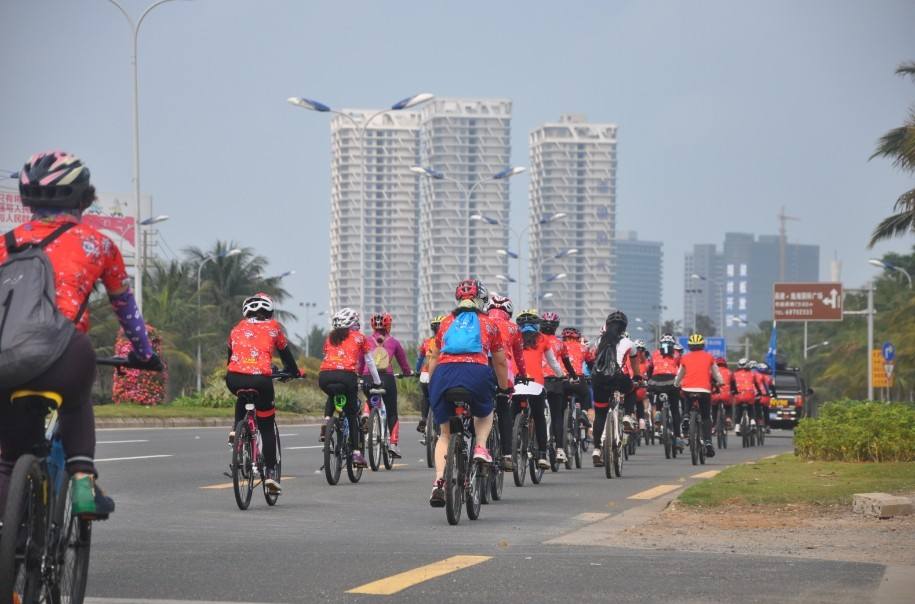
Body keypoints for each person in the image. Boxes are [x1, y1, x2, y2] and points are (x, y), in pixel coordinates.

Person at [0, 151, 162, 518]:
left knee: (9, 460)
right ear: (84, 197)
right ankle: (84, 480)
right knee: (75, 398)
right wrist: (145, 354)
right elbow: (126, 311)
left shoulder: (5, 243)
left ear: (26, 199)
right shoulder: (98, 244)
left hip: (7, 358)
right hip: (63, 352)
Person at [426, 279, 510, 507]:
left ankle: (439, 483)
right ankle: (481, 447)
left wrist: (433, 383)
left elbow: (433, 357)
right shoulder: (490, 324)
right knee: (484, 413)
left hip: (444, 374)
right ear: (481, 301)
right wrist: (504, 387)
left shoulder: (445, 322)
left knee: (444, 434)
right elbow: (500, 362)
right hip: (476, 372)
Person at [225, 292, 299, 494]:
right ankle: (271, 473)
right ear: (269, 312)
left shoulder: (236, 329)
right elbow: (287, 357)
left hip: (234, 378)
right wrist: (293, 372)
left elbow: (230, 358)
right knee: (266, 425)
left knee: (243, 393)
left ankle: (235, 430)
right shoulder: (274, 328)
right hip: (261, 380)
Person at [318, 308, 382, 468]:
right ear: (353, 323)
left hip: (324, 377)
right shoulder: (360, 337)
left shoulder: (329, 338)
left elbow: (326, 357)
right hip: (347, 377)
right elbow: (370, 362)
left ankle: (327, 422)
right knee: (353, 415)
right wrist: (377, 381)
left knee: (333, 395)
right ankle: (356, 453)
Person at [515, 310, 571, 468]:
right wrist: (561, 375)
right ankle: (541, 455)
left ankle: (512, 444)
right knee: (539, 417)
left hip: (517, 384)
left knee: (512, 413)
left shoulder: (514, 338)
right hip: (537, 384)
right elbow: (553, 363)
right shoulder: (542, 339)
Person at [589, 311, 640, 466]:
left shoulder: (598, 341)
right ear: (624, 327)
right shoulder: (629, 343)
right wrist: (638, 378)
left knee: (600, 414)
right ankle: (627, 417)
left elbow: (592, 360)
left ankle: (597, 449)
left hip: (598, 380)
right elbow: (635, 367)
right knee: (631, 389)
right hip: (617, 378)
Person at [362, 312, 412, 458]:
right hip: (387, 378)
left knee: (370, 395)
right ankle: (393, 444)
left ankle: (366, 413)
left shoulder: (365, 340)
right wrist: (407, 373)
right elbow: (404, 364)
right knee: (392, 412)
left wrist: (360, 374)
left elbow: (360, 362)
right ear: (388, 325)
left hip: (367, 376)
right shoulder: (394, 342)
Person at [486, 295, 527, 470]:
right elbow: (519, 356)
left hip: (480, 368)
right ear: (508, 312)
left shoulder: (482, 323)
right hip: (503, 371)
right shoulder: (513, 328)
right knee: (503, 409)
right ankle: (506, 455)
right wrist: (523, 375)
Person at [674, 333, 723, 457]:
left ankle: (685, 417)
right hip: (704, 390)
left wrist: (676, 383)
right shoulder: (709, 357)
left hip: (688, 389)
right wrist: (721, 382)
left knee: (687, 402)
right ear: (702, 345)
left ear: (689, 346)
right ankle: (707, 442)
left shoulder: (684, 358)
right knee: (706, 416)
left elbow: (680, 374)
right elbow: (716, 373)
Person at [539, 311, 577, 464]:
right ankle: (560, 449)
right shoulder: (561, 344)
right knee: (556, 415)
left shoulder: (534, 340)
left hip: (537, 381)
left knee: (536, 413)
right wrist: (573, 376)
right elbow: (567, 364)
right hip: (555, 382)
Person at [647, 333, 683, 449]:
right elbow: (682, 370)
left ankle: (657, 412)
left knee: (657, 392)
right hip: (672, 381)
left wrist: (649, 380)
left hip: (656, 381)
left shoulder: (655, 354)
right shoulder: (677, 354)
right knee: (675, 410)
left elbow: (649, 369)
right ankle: (677, 437)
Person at [561, 326, 593, 444]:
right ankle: (584, 413)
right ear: (578, 338)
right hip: (578, 379)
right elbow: (591, 363)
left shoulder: (559, 346)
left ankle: (561, 421)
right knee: (586, 394)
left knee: (561, 402)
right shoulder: (583, 348)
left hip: (562, 379)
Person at [415, 314, 445, 436]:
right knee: (442, 398)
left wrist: (417, 371)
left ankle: (423, 418)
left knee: (426, 397)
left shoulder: (426, 342)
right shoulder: (446, 342)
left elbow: (420, 359)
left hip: (425, 375)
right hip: (440, 374)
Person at [732, 357, 761, 435]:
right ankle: (752, 421)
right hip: (749, 394)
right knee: (751, 407)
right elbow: (757, 385)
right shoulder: (752, 374)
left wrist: (733, 392)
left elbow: (732, 385)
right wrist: (759, 393)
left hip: (739, 395)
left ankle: (737, 426)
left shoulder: (734, 374)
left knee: (738, 408)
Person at [711, 356, 736, 432]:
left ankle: (714, 425)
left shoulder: (712, 372)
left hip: (715, 394)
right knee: (728, 406)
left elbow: (710, 383)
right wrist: (734, 392)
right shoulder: (730, 372)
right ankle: (728, 418)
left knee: (714, 408)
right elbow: (733, 385)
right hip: (726, 395)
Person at [754, 362, 774, 434]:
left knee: (756, 409)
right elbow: (772, 388)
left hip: (757, 397)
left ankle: (756, 422)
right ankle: (767, 426)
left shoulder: (755, 376)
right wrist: (774, 395)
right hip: (766, 397)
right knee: (766, 411)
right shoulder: (769, 378)